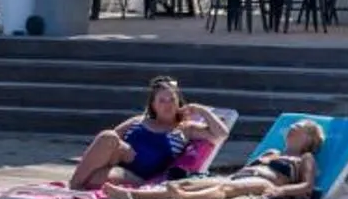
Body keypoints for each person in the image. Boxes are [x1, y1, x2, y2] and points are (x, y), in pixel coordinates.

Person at [65, 77, 230, 192]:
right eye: (162, 101)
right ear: (153, 105)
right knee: (108, 136)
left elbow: (221, 134)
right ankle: (74, 186)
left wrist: (202, 110)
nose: (167, 105)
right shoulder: (138, 120)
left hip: (139, 176)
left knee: (95, 178)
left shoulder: (185, 128)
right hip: (118, 163)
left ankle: (76, 188)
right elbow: (104, 143)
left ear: (179, 103)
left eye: (172, 100)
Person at [125, 119, 324, 199]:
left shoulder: (305, 158)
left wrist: (281, 191)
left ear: (309, 138)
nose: (291, 128)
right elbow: (245, 169)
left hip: (267, 183)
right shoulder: (272, 152)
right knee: (186, 183)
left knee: (225, 188)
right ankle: (134, 195)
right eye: (291, 126)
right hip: (242, 177)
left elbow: (307, 186)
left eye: (297, 127)